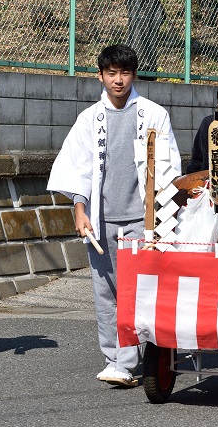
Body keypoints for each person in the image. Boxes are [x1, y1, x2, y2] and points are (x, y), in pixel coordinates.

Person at [48, 45, 181, 387]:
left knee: (136, 290)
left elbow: (166, 168)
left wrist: (162, 218)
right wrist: (79, 209)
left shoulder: (153, 113)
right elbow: (78, 168)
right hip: (101, 218)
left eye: (124, 73)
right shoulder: (90, 118)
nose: (118, 80)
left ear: (134, 75)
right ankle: (114, 357)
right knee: (105, 291)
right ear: (101, 76)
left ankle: (129, 359)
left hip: (141, 219)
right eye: (111, 73)